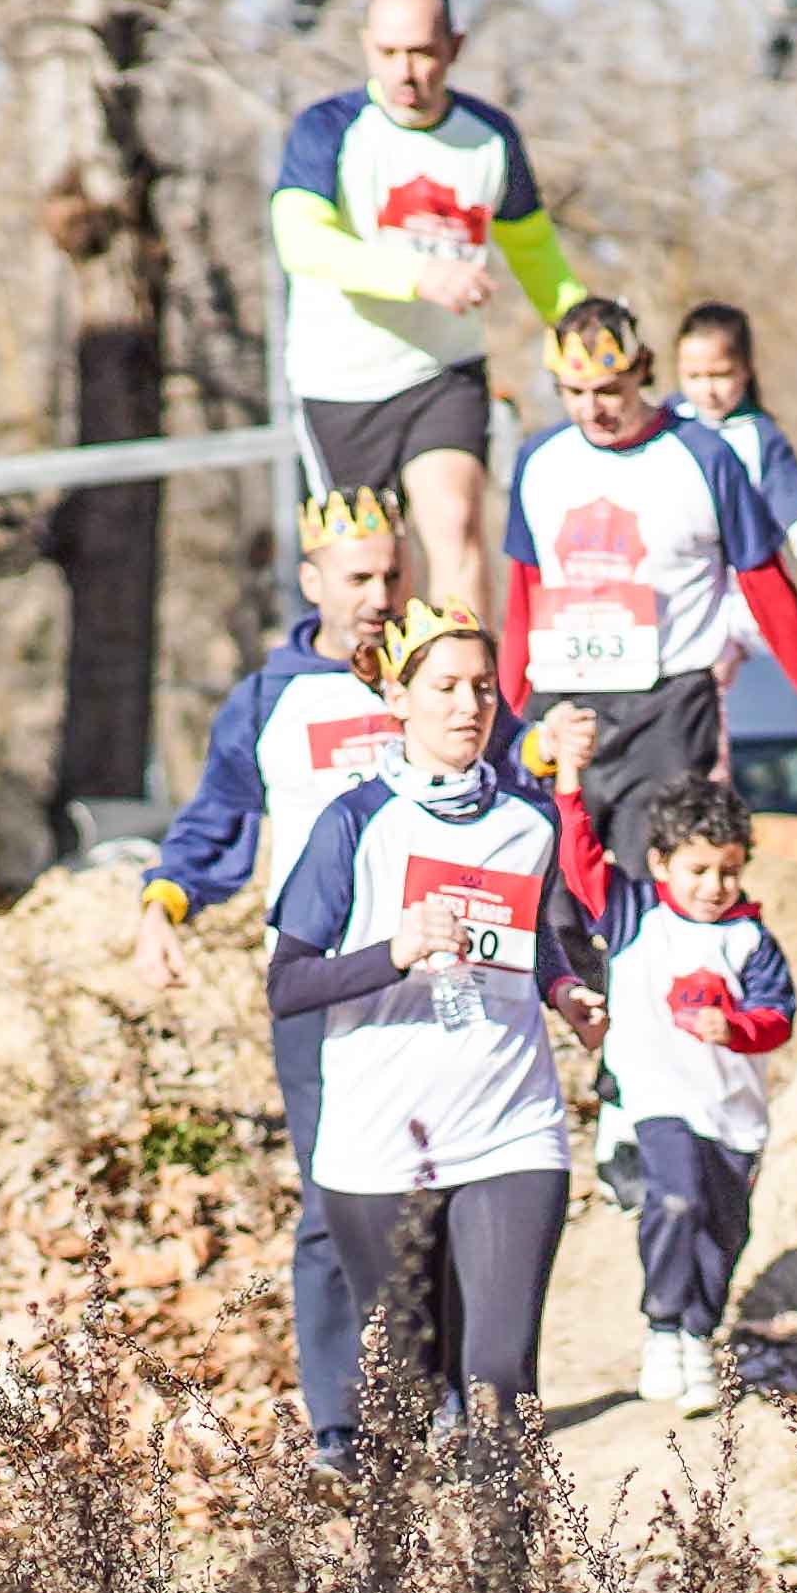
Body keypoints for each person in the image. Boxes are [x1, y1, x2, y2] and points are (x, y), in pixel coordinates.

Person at [264, 606, 603, 1467]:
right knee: (411, 1396)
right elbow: (288, 985)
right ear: (397, 699)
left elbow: (543, 935)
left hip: (508, 1123)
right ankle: (416, 1588)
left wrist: (566, 989)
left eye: (484, 689)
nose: (468, 706)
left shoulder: (530, 823)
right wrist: (395, 952)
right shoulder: (353, 824)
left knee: (500, 1379)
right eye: (445, 688)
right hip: (381, 1140)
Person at [148, 485, 420, 1474]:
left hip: (434, 980)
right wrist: (163, 905)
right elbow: (215, 821)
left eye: (394, 573)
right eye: (359, 578)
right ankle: (341, 1423)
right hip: (318, 984)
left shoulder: (436, 672)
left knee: (439, 1193)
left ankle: (441, 1400)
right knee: (333, 1198)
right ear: (312, 582)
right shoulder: (270, 697)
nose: (380, 595)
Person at [500, 297, 797, 869]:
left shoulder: (705, 457)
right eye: (573, 394)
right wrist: (508, 717)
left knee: (646, 886)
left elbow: (770, 595)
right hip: (563, 700)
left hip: (667, 706)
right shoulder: (539, 460)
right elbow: (523, 597)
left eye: (608, 390)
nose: (591, 409)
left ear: (642, 371)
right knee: (553, 895)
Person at [269, 0, 588, 625]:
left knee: (457, 523)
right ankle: (379, 703)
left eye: (420, 52)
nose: (405, 72)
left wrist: (582, 325)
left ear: (454, 47)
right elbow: (302, 243)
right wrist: (418, 277)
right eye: (387, 53)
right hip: (343, 382)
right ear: (366, 48)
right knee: (368, 564)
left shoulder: (489, 137)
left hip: (442, 370)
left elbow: (534, 252)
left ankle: (466, 694)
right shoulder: (327, 130)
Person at [559, 772, 796, 1411]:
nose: (714, 887)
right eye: (697, 870)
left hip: (733, 1116)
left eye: (728, 871)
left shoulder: (752, 940)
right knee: (675, 1202)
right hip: (655, 1101)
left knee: (724, 1230)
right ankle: (663, 1328)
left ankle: (699, 1332)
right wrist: (568, 785)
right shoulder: (636, 912)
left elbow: (779, 1016)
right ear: (661, 862)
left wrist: (737, 1027)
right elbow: (578, 861)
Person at [672, 303, 797, 813]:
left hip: (738, 597)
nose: (708, 390)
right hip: (672, 593)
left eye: (720, 375)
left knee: (710, 681)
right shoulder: (667, 429)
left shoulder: (757, 439)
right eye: (694, 376)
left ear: (746, 372)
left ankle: (708, 801)